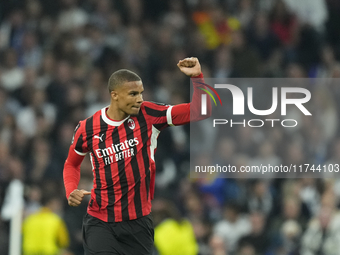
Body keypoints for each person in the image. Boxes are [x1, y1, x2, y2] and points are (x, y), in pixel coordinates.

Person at [63, 57, 211, 255]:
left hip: (138, 224)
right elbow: (71, 164)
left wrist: (198, 79)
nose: (140, 99)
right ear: (114, 95)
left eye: (141, 93)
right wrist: (71, 189)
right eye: (133, 94)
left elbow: (200, 111)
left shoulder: (148, 114)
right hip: (100, 221)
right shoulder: (87, 128)